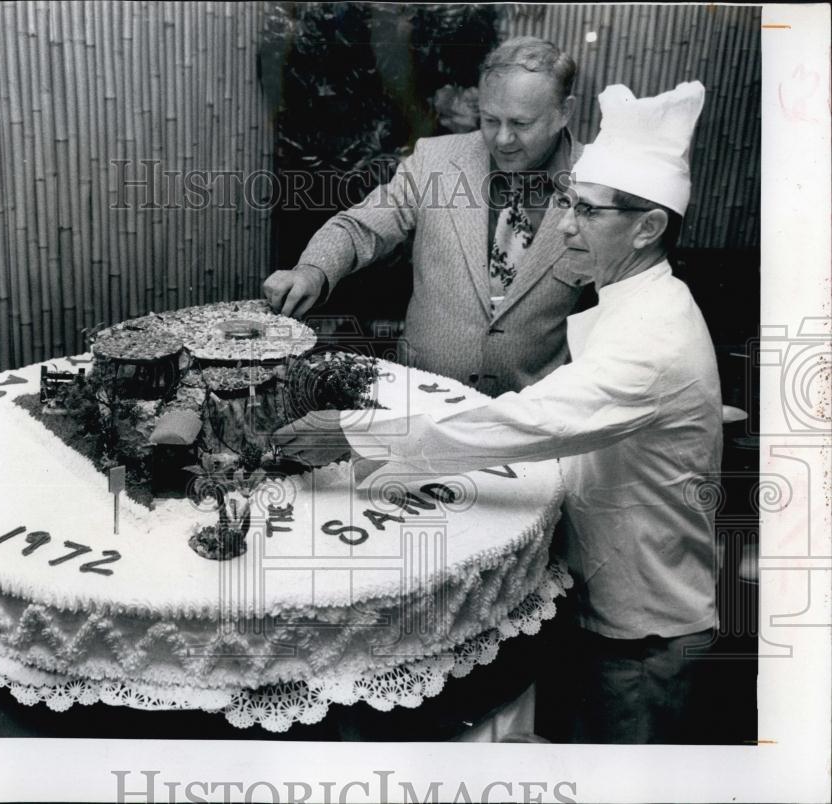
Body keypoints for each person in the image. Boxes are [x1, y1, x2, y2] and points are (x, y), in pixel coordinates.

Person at [276, 80, 721, 744]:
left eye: (587, 211)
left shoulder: (653, 339)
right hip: (589, 589)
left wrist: (350, 432)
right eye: (567, 202)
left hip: (642, 628)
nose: (564, 224)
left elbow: (523, 425)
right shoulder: (637, 299)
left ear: (648, 226)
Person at [263, 37, 594, 396]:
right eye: (489, 119)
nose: (502, 139)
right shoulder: (435, 160)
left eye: (521, 123)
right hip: (421, 397)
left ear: (564, 112)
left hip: (533, 413)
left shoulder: (600, 181)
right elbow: (363, 226)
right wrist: (313, 270)